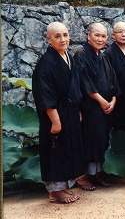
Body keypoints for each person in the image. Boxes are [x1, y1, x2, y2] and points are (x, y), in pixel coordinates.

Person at [32, 22, 85, 204]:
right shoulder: (45, 64)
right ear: (49, 39)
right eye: (57, 36)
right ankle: (55, 192)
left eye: (65, 35)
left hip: (70, 112)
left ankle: (63, 187)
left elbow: (76, 87)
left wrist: (77, 110)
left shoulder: (69, 57)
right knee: (56, 150)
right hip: (55, 115)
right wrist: (55, 121)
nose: (62, 39)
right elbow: (45, 94)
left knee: (68, 149)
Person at [74, 22, 119, 190]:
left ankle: (97, 173)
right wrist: (101, 100)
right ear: (88, 36)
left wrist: (113, 99)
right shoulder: (81, 55)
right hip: (90, 107)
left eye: (103, 36)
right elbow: (85, 82)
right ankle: (83, 176)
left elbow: (113, 81)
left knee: (102, 139)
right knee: (89, 140)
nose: (100, 39)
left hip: (106, 108)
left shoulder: (103, 56)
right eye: (97, 35)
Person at [104, 22, 125, 132]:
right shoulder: (108, 54)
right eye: (120, 32)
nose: (123, 34)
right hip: (117, 102)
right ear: (113, 35)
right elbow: (108, 79)